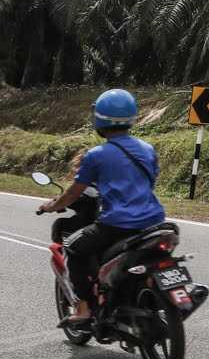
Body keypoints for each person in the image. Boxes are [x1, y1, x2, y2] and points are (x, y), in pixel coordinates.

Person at [38, 89, 166, 326]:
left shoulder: (97, 155)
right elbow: (149, 180)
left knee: (74, 248)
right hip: (155, 222)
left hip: (118, 225)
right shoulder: (147, 149)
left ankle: (84, 308)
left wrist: (51, 205)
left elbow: (73, 193)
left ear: (99, 118)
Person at [50, 149, 99, 245]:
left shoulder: (88, 186)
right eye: (76, 166)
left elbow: (73, 198)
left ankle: (67, 257)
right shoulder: (105, 183)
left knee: (60, 224)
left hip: (91, 226)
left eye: (79, 166)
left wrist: (55, 204)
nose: (76, 169)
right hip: (117, 226)